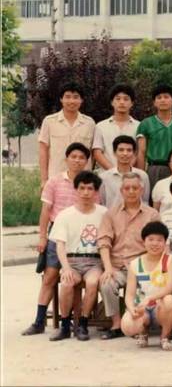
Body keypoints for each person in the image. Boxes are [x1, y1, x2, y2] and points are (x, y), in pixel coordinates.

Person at [23, 143, 98, 337]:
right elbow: (45, 211)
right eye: (73, 156)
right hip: (58, 234)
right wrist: (42, 237)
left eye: (81, 157)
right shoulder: (54, 182)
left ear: (86, 161)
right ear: (66, 159)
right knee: (50, 276)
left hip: (82, 237)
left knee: (75, 279)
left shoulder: (90, 183)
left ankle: (76, 322)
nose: (77, 160)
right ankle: (39, 321)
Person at [98, 172, 160, 340]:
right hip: (117, 266)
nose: (131, 191)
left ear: (142, 190)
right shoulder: (110, 214)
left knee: (150, 285)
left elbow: (157, 242)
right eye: (127, 188)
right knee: (106, 283)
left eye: (135, 188)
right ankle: (117, 324)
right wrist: (108, 268)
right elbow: (104, 242)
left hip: (141, 267)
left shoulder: (152, 214)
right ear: (121, 190)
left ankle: (140, 323)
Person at [48, 171, 108, 341]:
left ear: (96, 191)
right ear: (76, 189)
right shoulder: (65, 215)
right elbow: (60, 244)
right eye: (82, 188)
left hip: (94, 261)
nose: (86, 192)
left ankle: (83, 324)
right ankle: (65, 325)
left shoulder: (104, 213)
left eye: (90, 189)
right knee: (67, 282)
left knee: (92, 282)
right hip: (71, 261)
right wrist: (66, 267)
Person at [120, 221, 172, 350]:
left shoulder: (170, 260)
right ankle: (143, 333)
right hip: (142, 308)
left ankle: (165, 337)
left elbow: (170, 287)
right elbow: (129, 294)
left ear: (165, 242)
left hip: (161, 308)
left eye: (159, 240)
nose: (155, 243)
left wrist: (150, 298)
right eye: (151, 239)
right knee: (127, 326)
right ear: (144, 241)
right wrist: (131, 308)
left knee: (171, 300)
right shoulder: (135, 264)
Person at [38, 81, 96, 187]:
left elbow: (93, 153)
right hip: (56, 178)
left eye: (76, 97)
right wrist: (44, 179)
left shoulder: (90, 123)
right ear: (61, 99)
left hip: (83, 181)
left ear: (81, 100)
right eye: (67, 97)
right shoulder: (49, 121)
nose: (72, 101)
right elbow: (43, 151)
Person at [137, 84, 172, 193]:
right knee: (154, 198)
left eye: (166, 97)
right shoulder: (146, 124)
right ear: (154, 102)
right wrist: (141, 175)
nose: (162, 100)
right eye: (159, 98)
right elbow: (141, 152)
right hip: (154, 169)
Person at [92, 84, 139, 172]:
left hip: (131, 176)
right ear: (112, 102)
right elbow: (97, 152)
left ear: (132, 103)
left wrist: (125, 170)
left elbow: (138, 152)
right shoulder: (101, 126)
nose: (122, 102)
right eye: (118, 99)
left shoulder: (139, 126)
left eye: (126, 99)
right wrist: (114, 171)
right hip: (106, 175)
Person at [99, 136, 150, 210]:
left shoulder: (142, 175)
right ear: (114, 152)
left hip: (136, 216)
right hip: (112, 216)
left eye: (129, 150)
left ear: (134, 153)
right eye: (121, 150)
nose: (125, 153)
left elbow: (145, 201)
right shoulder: (104, 177)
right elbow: (102, 203)